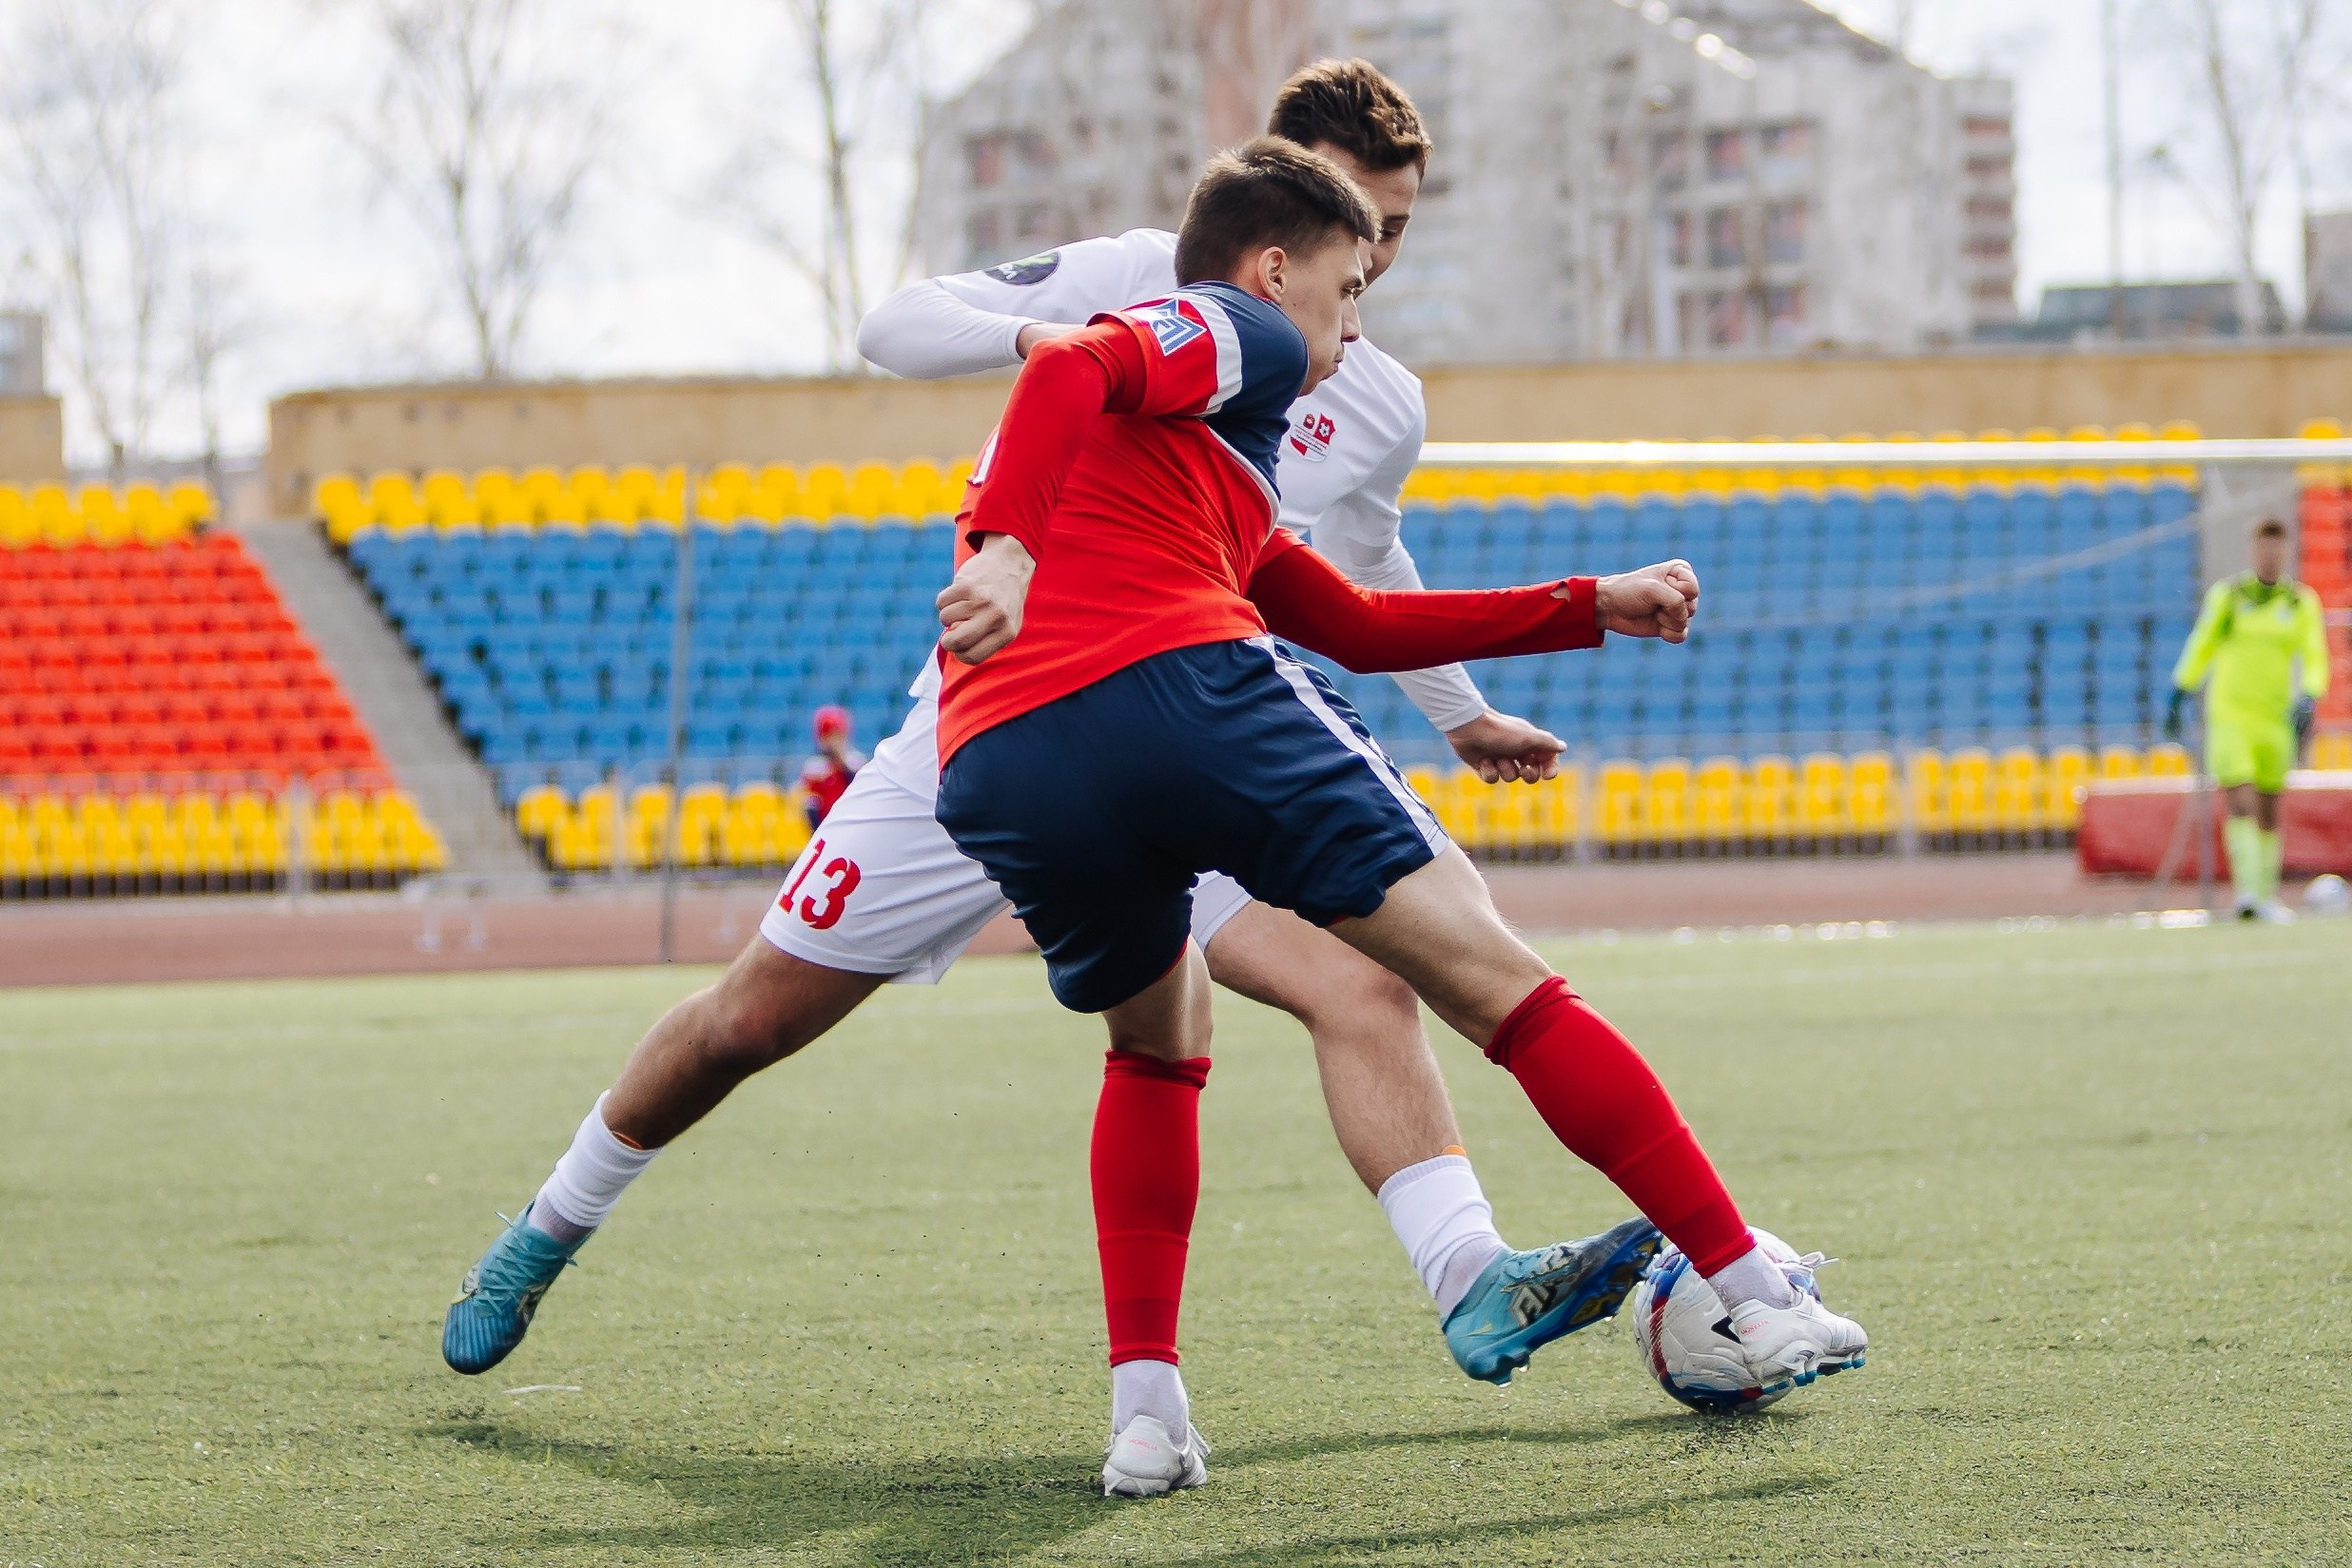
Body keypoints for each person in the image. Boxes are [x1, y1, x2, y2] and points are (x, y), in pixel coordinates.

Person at [442, 62, 1675, 1408]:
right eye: (1353, 225)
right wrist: (1063, 350)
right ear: (1273, 198)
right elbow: (898, 325)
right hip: (991, 711)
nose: (1369, 256)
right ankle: (547, 1227)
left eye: (1393, 230)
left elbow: (1362, 565)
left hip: (1186, 718)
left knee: (1363, 981)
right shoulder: (1143, 274)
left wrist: (1464, 713)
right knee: (750, 1020)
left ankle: (1466, 1276)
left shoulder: (1377, 394)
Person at [933, 135, 1867, 1496]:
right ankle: (1748, 1283)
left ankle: (1147, 1416)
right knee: (1503, 986)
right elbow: (1070, 359)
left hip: (1006, 757)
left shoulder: (1204, 469)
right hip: (1176, 687)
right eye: (1347, 289)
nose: (1352, 325)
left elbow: (1362, 625)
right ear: (1271, 268)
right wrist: (1003, 543)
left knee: (1154, 1047)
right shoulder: (1238, 326)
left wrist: (1584, 605)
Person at [2167, 516, 2330, 921]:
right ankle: (2247, 896)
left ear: (2285, 552)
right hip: (2231, 716)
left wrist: (2309, 696)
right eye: (2263, 548)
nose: (2270, 555)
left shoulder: (2299, 603)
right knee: (2240, 799)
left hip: (2274, 719)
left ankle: (2265, 894)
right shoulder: (2230, 597)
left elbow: (2314, 655)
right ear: (2253, 552)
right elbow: (2203, 642)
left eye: (2277, 548)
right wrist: (2181, 686)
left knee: (2270, 808)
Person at [799, 704, 865, 828]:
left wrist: (840, 760)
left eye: (836, 735)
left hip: (851, 823)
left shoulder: (855, 760)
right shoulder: (814, 765)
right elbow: (810, 804)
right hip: (824, 825)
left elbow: (856, 787)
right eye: (828, 735)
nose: (831, 741)